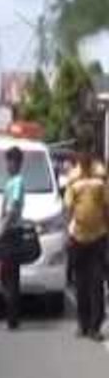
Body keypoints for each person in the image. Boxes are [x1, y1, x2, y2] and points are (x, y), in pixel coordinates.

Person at [64, 143, 108, 341]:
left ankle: (95, 327)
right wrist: (68, 235)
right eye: (81, 152)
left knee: (97, 283)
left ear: (91, 152)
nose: (84, 155)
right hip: (78, 237)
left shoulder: (101, 174)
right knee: (80, 283)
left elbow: (107, 205)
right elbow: (68, 208)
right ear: (77, 154)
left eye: (87, 151)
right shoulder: (72, 177)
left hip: (98, 236)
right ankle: (82, 324)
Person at [0, 146, 26, 331]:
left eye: (10, 161)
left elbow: (14, 206)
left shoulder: (17, 182)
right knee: (7, 275)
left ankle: (13, 318)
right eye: (7, 161)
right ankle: (12, 315)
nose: (7, 165)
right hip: (10, 232)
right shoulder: (11, 181)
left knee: (10, 276)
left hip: (12, 232)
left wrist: (3, 226)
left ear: (16, 163)